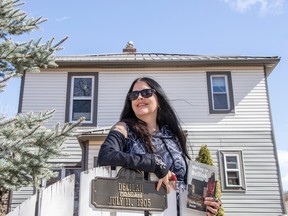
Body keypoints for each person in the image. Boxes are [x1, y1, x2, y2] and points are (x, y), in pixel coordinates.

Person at [98, 77, 221, 216]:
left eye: (146, 93)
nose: (139, 97)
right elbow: (105, 156)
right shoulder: (123, 128)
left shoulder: (172, 134)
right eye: (134, 95)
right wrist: (153, 163)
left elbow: (183, 184)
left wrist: (205, 204)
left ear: (159, 99)